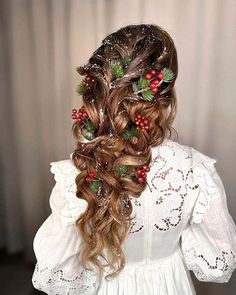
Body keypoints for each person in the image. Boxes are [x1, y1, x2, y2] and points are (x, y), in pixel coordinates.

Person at [31, 24, 236, 295]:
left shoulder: (78, 173)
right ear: (166, 88)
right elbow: (218, 263)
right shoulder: (195, 171)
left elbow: (56, 270)